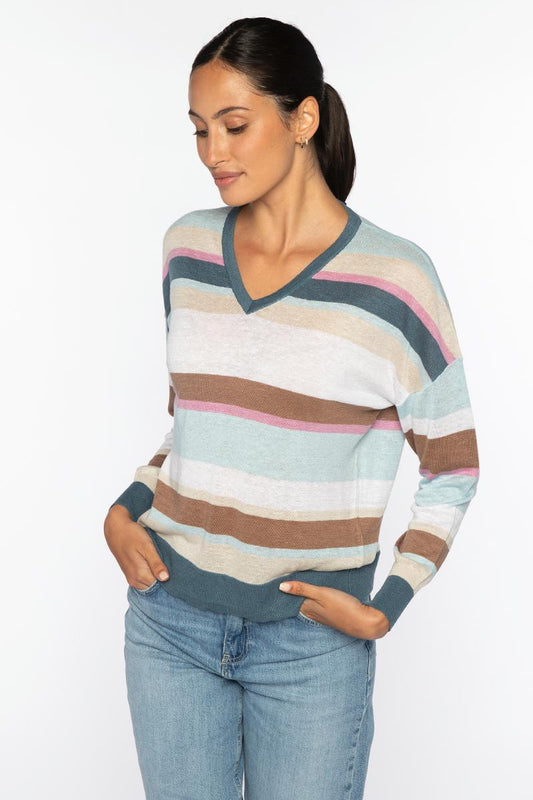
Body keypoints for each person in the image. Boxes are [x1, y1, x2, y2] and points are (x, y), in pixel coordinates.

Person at [104, 16, 480, 800]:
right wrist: (124, 509)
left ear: (302, 118)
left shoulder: (395, 281)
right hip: (168, 624)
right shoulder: (186, 250)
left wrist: (387, 603)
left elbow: (452, 466)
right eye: (199, 129)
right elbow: (194, 428)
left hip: (308, 648)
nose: (213, 152)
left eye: (234, 125)